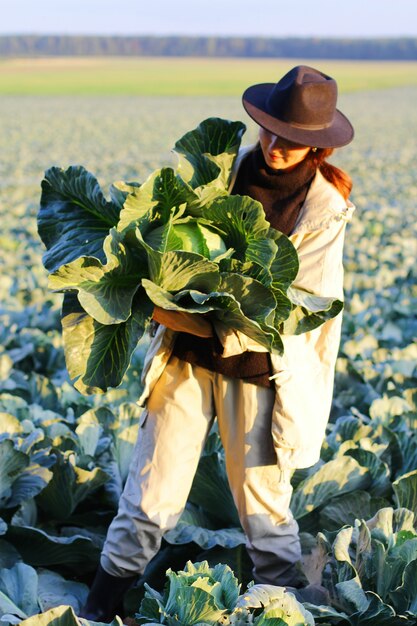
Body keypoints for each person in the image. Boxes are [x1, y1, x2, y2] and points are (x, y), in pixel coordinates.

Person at [81, 65, 355, 621]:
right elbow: (162, 236)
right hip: (184, 362)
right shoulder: (218, 171)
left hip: (260, 370)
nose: (277, 145)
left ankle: (281, 610)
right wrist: (152, 291)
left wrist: (183, 317)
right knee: (149, 496)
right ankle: (98, 608)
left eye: (294, 138)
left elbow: (295, 309)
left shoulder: (325, 210)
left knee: (264, 511)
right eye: (271, 130)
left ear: (316, 146)